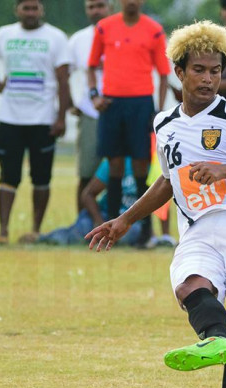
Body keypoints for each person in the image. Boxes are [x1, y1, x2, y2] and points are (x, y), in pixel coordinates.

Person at [85, 21, 226, 388]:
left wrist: (225, 169)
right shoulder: (164, 123)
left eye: (215, 70)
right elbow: (167, 181)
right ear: (179, 72)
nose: (209, 79)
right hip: (195, 228)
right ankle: (214, 339)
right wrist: (125, 219)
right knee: (189, 285)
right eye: (199, 70)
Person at [0, 0, 71, 244]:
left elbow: (63, 80)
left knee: (41, 177)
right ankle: (2, 232)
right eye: (26, 8)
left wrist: (61, 117)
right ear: (17, 10)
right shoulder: (4, 34)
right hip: (10, 118)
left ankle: (35, 230)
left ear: (42, 10)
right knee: (7, 176)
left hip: (43, 120)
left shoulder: (55, 37)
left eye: (35, 8)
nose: (31, 13)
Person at [87, 0, 171, 246]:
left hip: (141, 103)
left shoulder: (154, 29)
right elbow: (91, 66)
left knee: (140, 165)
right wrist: (95, 95)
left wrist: (158, 110)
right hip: (112, 103)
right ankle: (111, 229)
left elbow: (164, 74)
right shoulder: (104, 27)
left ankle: (144, 233)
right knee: (114, 164)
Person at [67, 0, 112, 213]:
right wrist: (71, 102)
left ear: (111, 7)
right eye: (91, 7)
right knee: (86, 172)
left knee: (121, 171)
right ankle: (82, 223)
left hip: (121, 109)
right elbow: (64, 74)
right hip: (91, 113)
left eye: (100, 5)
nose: (96, 11)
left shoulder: (122, 33)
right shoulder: (79, 39)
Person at [38, 157, 142, 246]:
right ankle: (41, 238)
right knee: (85, 227)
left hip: (131, 222)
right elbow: (88, 194)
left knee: (133, 233)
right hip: (105, 216)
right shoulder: (114, 161)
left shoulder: (150, 164)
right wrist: (100, 223)